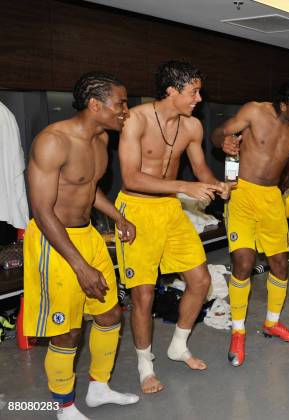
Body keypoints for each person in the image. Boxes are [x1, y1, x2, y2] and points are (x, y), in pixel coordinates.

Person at [24, 72, 139, 420]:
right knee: (67, 330)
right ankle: (64, 406)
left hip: (88, 235)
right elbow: (42, 211)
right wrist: (79, 265)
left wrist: (118, 216)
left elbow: (88, 189)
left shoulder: (101, 140)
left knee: (110, 313)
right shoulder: (53, 141)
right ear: (95, 105)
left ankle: (99, 388)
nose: (126, 111)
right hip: (53, 240)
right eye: (120, 104)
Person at [116, 60, 230, 393]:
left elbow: (200, 170)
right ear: (171, 90)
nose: (198, 98)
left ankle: (178, 345)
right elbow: (132, 177)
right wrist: (185, 187)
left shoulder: (192, 127)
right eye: (193, 91)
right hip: (136, 210)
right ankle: (144, 366)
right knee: (144, 293)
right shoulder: (136, 120)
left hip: (170, 209)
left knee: (201, 279)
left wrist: (215, 185)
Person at [211, 78, 289, 367]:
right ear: (283, 105)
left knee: (280, 263)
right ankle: (238, 331)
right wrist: (224, 141)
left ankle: (272, 323)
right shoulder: (254, 112)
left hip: (272, 200)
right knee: (243, 262)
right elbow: (219, 133)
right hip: (242, 193)